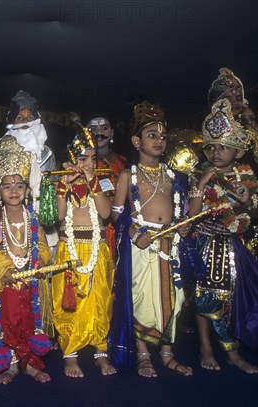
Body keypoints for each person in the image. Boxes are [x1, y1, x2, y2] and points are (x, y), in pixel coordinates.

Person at [110, 101, 193, 378]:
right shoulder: (127, 175)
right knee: (142, 300)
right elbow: (115, 215)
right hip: (142, 246)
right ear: (136, 141)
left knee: (175, 300)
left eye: (163, 136)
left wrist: (183, 227)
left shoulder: (174, 177)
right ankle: (144, 355)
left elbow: (182, 212)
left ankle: (167, 355)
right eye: (151, 135)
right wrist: (134, 234)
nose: (159, 140)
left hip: (171, 246)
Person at [0, 136, 53, 384]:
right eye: (7, 186)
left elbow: (43, 247)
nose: (13, 191)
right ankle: (13, 365)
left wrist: (42, 263)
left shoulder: (33, 219)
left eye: (19, 185)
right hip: (4, 283)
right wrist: (5, 270)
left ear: (27, 190)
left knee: (30, 323)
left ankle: (32, 364)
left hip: (31, 283)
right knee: (8, 324)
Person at [188, 99, 258, 374]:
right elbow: (192, 214)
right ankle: (208, 348)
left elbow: (253, 217)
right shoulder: (198, 174)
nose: (216, 152)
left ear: (238, 153)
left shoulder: (247, 177)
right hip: (206, 242)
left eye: (224, 147)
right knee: (204, 295)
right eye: (212, 147)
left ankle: (232, 350)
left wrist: (246, 200)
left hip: (235, 245)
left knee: (234, 297)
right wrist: (204, 182)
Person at [52, 129, 116, 378]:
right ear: (68, 162)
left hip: (97, 250)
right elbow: (57, 217)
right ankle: (70, 354)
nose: (88, 164)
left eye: (92, 158)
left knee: (100, 299)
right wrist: (61, 187)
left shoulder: (102, 181)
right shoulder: (59, 183)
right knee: (68, 303)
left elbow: (105, 214)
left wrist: (93, 183)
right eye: (81, 159)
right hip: (69, 250)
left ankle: (101, 352)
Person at [87, 116, 127, 258]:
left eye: (104, 128)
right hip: (92, 223)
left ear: (112, 133)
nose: (99, 133)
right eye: (93, 129)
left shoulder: (122, 162)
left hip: (118, 223)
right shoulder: (82, 163)